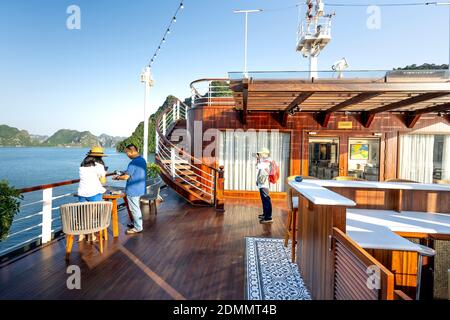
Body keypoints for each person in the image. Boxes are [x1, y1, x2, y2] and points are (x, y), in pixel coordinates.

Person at [113, 144, 147, 235]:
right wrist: (124, 171)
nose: (127, 155)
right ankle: (136, 223)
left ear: (132, 151)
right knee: (136, 208)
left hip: (133, 190)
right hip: (140, 189)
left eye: (127, 152)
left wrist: (117, 177)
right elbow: (134, 172)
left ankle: (138, 228)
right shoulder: (142, 160)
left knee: (134, 209)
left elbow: (126, 177)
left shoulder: (133, 162)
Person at [77, 146, 108, 241]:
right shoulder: (99, 166)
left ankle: (81, 235)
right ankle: (91, 236)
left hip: (82, 192)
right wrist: (104, 173)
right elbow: (103, 182)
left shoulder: (82, 166)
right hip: (94, 193)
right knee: (93, 215)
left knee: (84, 214)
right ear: (100, 157)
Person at [256, 147, 273, 224]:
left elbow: (258, 166)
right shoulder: (265, 161)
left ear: (266, 154)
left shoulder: (267, 161)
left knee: (266, 200)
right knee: (264, 200)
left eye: (261, 153)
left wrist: (258, 159)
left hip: (264, 183)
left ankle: (268, 217)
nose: (260, 155)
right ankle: (265, 214)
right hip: (262, 183)